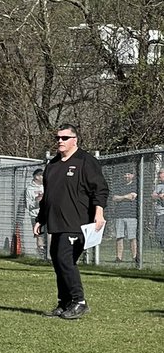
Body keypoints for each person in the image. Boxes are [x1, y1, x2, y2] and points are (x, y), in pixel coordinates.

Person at [34, 125, 108, 320]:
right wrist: (40, 219)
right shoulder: (53, 165)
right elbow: (47, 196)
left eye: (65, 138)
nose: (60, 141)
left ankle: (79, 301)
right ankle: (64, 302)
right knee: (58, 261)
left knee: (66, 260)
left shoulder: (86, 161)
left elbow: (99, 189)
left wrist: (99, 213)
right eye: (57, 137)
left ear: (75, 139)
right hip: (56, 223)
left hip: (77, 222)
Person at [110, 165, 139, 266]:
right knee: (119, 237)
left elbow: (133, 197)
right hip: (119, 214)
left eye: (128, 174)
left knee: (132, 237)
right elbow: (114, 198)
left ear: (133, 175)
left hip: (131, 215)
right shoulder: (119, 185)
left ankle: (135, 257)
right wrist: (126, 196)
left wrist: (121, 197)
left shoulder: (136, 185)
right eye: (125, 174)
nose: (126, 176)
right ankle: (119, 257)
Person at [22, 167, 45, 258]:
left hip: (47, 214)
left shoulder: (46, 186)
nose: (43, 177)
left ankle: (50, 254)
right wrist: (36, 201)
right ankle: (41, 253)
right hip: (36, 216)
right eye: (41, 175)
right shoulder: (29, 189)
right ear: (36, 177)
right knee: (39, 234)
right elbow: (28, 205)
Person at [151, 167, 164, 251]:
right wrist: (160, 196)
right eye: (159, 173)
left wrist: (159, 196)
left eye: (161, 173)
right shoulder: (159, 185)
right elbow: (153, 196)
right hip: (158, 213)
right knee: (159, 234)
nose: (160, 175)